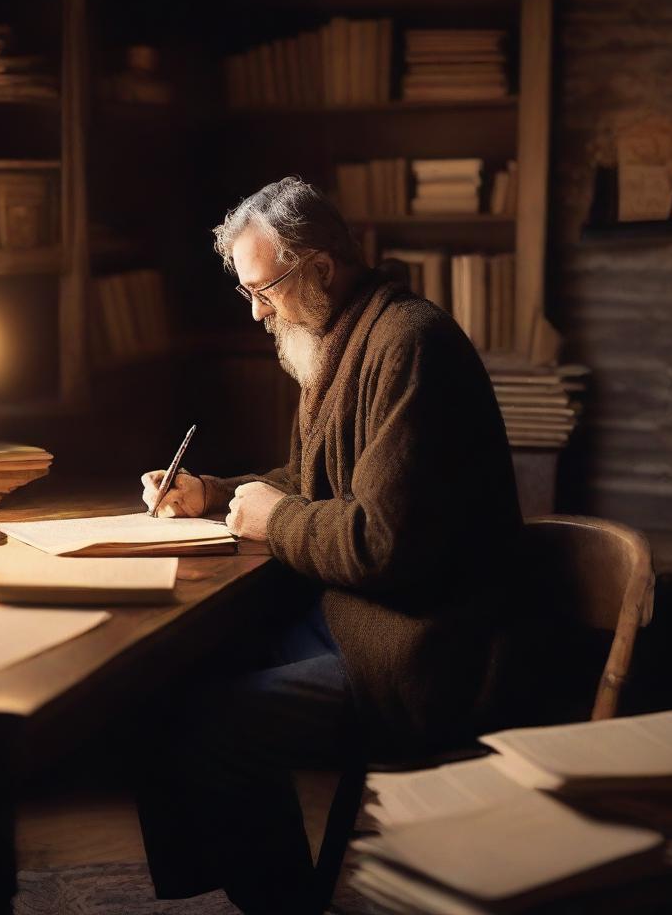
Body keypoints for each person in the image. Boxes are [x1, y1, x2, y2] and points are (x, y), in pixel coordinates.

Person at [135, 176, 522, 914]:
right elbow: (313, 484)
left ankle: (281, 905)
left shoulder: (409, 344)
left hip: (423, 650)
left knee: (210, 727)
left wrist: (274, 521)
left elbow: (380, 542)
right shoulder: (339, 336)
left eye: (266, 289)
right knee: (166, 675)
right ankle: (257, 887)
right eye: (247, 292)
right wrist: (214, 493)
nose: (256, 311)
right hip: (357, 619)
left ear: (320, 267)